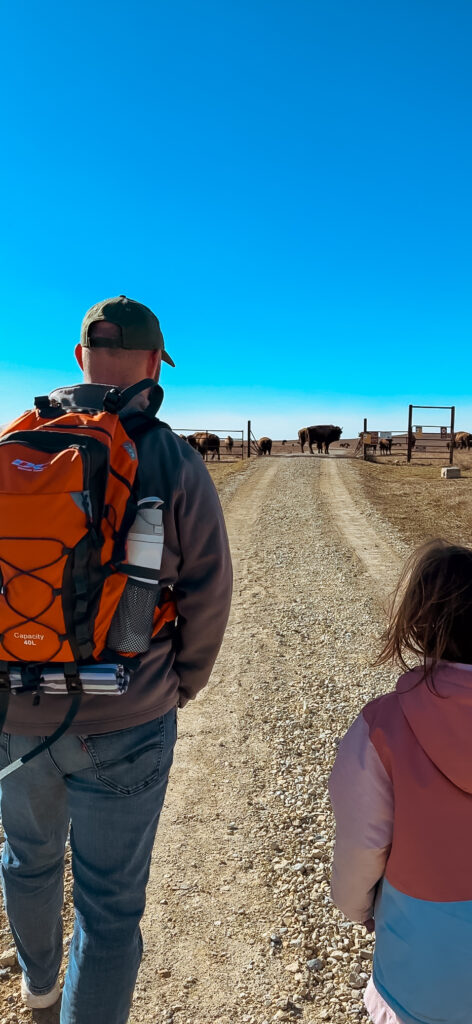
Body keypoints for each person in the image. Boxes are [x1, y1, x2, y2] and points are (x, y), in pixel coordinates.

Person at [0, 296, 233, 1023]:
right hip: (128, 710)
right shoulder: (171, 456)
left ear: (80, 358)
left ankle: (38, 991)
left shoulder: (16, 442)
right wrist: (177, 687)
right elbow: (209, 592)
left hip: (16, 706)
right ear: (155, 363)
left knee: (27, 861)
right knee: (107, 910)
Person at [329, 539, 472, 1024]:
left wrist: (357, 908)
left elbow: (361, 845)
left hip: (418, 970)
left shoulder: (381, 727)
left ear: (415, 623)